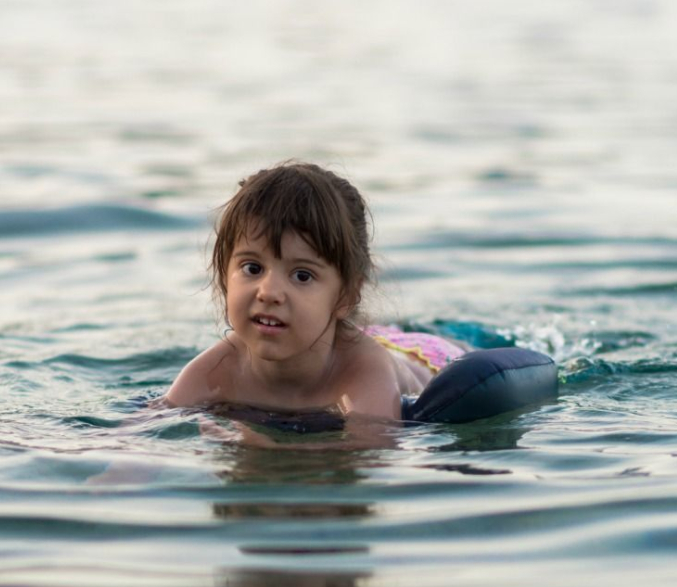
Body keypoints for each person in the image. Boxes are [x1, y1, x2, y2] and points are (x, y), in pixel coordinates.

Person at [165, 162, 467, 437]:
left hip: (427, 357)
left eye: (302, 276)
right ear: (223, 276)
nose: (268, 292)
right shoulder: (215, 371)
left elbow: (370, 451)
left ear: (346, 295)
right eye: (252, 268)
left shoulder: (363, 370)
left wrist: (269, 453)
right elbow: (142, 436)